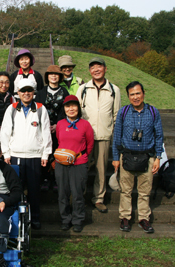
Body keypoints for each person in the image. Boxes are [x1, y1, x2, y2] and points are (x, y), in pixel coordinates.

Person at [112, 81, 163, 234]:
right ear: (128, 96)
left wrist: (158, 157)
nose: (135, 97)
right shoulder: (123, 112)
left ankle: (143, 218)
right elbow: (117, 136)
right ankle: (125, 217)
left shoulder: (153, 112)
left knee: (144, 191)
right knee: (125, 190)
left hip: (147, 157)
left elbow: (159, 135)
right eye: (132, 94)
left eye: (138, 93)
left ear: (143, 93)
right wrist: (115, 157)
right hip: (126, 156)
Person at [0, 79, 52, 230]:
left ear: (34, 92)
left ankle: (34, 218)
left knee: (34, 190)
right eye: (23, 91)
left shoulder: (41, 109)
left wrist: (45, 154)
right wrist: (6, 152)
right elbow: (5, 132)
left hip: (34, 156)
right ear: (18, 93)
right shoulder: (12, 108)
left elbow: (46, 132)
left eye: (29, 90)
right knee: (15, 189)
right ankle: (15, 218)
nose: (26, 93)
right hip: (15, 156)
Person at [76, 57, 121, 213]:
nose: (96, 69)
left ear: (105, 68)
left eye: (99, 66)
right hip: (84, 136)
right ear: (89, 71)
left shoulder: (114, 90)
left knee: (101, 170)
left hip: (104, 135)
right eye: (93, 67)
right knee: (82, 169)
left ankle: (99, 198)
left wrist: (113, 134)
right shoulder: (83, 89)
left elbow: (116, 115)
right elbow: (77, 112)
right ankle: (79, 197)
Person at [55, 95, 94, 233]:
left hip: (79, 163)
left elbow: (89, 145)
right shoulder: (60, 124)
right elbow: (59, 140)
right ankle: (65, 219)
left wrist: (79, 156)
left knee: (77, 193)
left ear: (78, 107)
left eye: (73, 105)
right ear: (64, 108)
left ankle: (78, 219)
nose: (71, 109)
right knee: (62, 193)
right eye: (67, 106)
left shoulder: (85, 125)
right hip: (61, 163)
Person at [35, 65, 69, 191]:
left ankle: (55, 178)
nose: (53, 76)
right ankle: (44, 178)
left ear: (60, 77)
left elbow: (66, 110)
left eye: (56, 74)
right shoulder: (41, 92)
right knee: (44, 153)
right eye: (51, 74)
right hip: (43, 128)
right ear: (47, 76)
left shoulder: (64, 92)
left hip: (59, 129)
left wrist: (57, 125)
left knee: (57, 154)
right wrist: (45, 126)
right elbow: (37, 110)